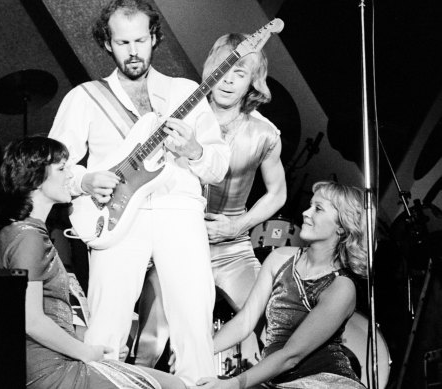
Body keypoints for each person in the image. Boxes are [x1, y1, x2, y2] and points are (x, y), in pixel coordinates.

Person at [48, 0, 230, 385]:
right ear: (107, 44)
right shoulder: (85, 97)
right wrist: (84, 181)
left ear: (154, 38)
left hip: (178, 209)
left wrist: (194, 150)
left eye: (141, 40)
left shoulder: (185, 92)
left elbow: (218, 165)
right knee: (107, 324)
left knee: (194, 320)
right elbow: (52, 165)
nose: (133, 51)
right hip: (113, 215)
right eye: (122, 42)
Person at [134, 33, 286, 369]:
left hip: (233, 248)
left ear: (252, 83)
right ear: (211, 70)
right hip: (177, 242)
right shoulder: (178, 118)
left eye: (240, 73)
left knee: (272, 326)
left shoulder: (265, 134)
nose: (229, 80)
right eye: (223, 68)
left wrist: (238, 225)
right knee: (150, 341)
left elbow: (278, 193)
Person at [0, 136, 186, 389]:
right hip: (50, 371)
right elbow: (31, 319)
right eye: (61, 169)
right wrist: (85, 352)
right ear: (35, 178)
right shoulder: (28, 237)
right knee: (174, 386)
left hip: (47, 363)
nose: (69, 176)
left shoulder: (19, 232)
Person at [195, 181, 368, 388]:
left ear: (341, 226)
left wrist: (234, 384)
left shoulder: (341, 287)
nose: (306, 213)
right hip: (278, 381)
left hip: (324, 382)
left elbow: (290, 355)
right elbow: (245, 321)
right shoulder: (280, 258)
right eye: (310, 205)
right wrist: (198, 353)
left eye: (318, 209)